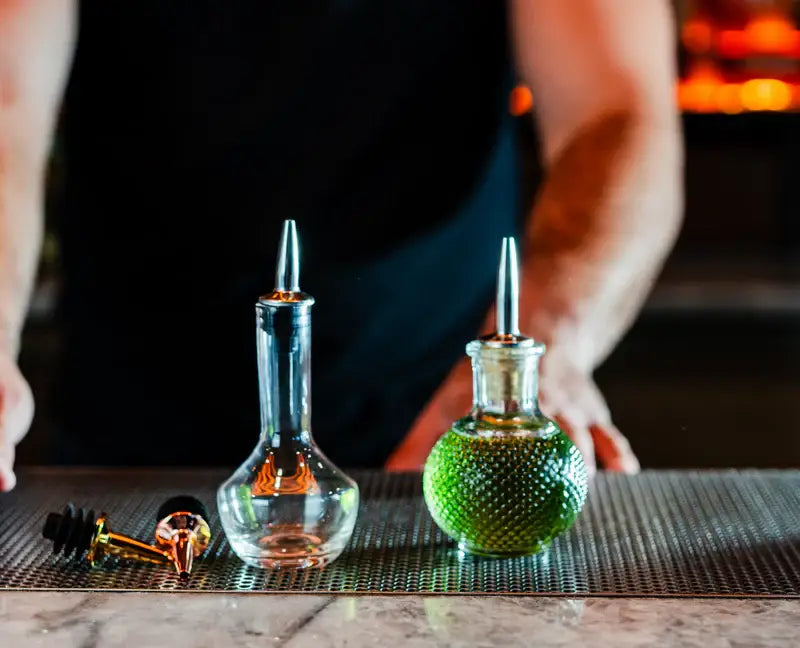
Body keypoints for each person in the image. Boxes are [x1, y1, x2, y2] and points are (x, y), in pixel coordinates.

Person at [0, 0, 682, 489]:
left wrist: (536, 353)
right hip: (129, 439)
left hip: (440, 438)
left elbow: (615, 114)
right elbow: (8, 103)